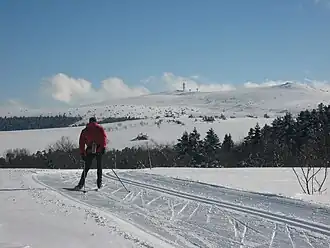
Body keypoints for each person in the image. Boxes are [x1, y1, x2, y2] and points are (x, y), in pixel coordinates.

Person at [74, 117, 107, 190]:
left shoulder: (85, 130)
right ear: (96, 121)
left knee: (86, 167)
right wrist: (103, 147)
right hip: (99, 149)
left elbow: (81, 143)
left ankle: (80, 184)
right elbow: (104, 138)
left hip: (89, 150)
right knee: (99, 167)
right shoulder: (100, 128)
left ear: (89, 122)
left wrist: (82, 153)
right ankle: (99, 183)